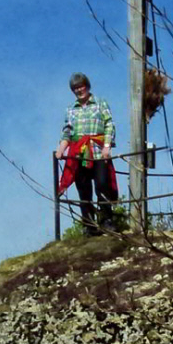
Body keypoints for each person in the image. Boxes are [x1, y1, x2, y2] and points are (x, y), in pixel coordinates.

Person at [55, 72, 119, 234]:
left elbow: (109, 124)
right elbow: (67, 131)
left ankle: (106, 222)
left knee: (102, 185)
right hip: (79, 154)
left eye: (81, 86)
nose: (79, 90)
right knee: (83, 188)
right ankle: (89, 225)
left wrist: (107, 146)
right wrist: (61, 148)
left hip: (98, 152)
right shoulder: (70, 109)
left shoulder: (100, 103)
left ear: (87, 86)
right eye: (75, 88)